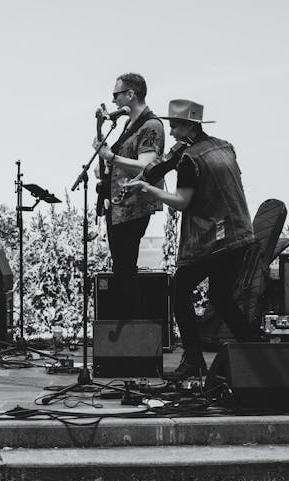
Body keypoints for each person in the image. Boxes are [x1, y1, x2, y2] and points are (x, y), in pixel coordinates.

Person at [124, 99, 257, 379]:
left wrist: (147, 188)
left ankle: (194, 361)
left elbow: (182, 201)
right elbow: (165, 165)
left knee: (179, 292)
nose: (170, 132)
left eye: (174, 126)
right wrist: (151, 172)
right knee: (221, 297)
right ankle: (257, 351)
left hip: (214, 239)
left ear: (188, 126)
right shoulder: (224, 146)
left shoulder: (189, 159)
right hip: (241, 234)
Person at [93, 73, 165, 319]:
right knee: (121, 267)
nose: (113, 101)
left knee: (125, 268)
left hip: (134, 205)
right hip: (119, 204)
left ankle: (131, 328)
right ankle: (126, 326)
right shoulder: (128, 125)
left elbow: (146, 165)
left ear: (131, 95)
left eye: (116, 95)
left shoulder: (151, 126)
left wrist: (110, 157)